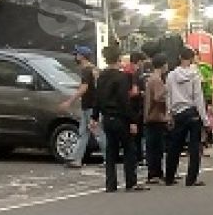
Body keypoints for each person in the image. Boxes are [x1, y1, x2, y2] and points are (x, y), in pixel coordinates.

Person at [91, 46, 146, 193]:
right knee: (129, 149)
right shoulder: (121, 77)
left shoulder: (101, 76)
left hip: (106, 117)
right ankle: (131, 182)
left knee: (111, 151)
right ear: (119, 58)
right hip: (121, 118)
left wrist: (94, 116)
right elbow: (124, 101)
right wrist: (133, 120)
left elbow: (97, 97)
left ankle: (110, 184)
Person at [165, 47, 210, 187]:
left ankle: (169, 177)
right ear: (191, 58)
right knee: (194, 147)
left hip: (178, 113)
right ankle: (191, 179)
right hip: (192, 112)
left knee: (175, 146)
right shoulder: (195, 75)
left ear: (179, 57)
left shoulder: (171, 75)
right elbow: (198, 98)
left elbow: (168, 95)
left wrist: (169, 112)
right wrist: (205, 119)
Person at [61, 46, 106, 168]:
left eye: (77, 54)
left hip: (90, 105)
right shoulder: (94, 69)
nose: (75, 57)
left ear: (82, 56)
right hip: (92, 105)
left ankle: (108, 158)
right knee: (85, 132)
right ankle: (77, 159)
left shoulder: (86, 70)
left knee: (97, 133)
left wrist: (70, 101)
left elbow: (84, 88)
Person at [143, 54, 168, 185]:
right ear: (163, 65)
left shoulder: (151, 78)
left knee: (153, 147)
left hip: (150, 116)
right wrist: (167, 93)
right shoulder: (157, 80)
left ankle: (154, 173)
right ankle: (155, 173)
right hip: (156, 116)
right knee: (156, 148)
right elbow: (158, 97)